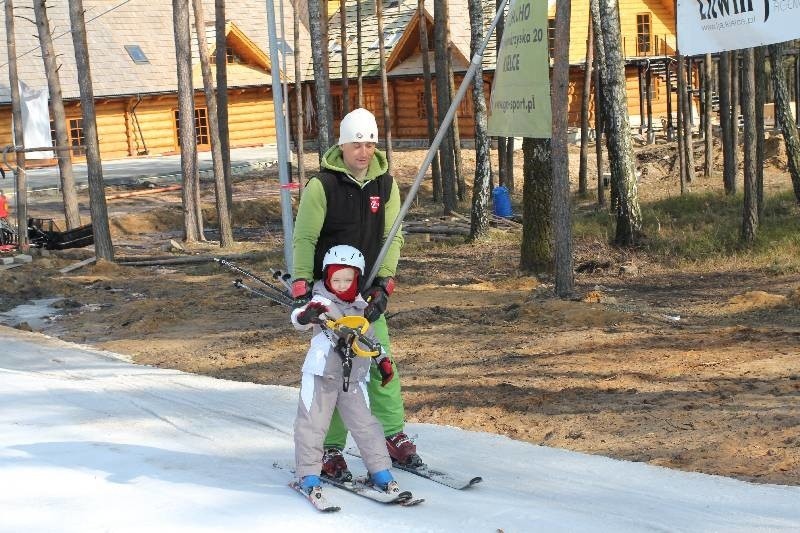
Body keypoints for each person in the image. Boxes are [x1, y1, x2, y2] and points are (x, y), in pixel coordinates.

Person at [291, 107, 420, 482]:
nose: (362, 152)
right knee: (335, 371)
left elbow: (391, 236)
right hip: (329, 293)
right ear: (342, 145)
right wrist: (302, 286)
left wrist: (384, 284)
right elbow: (305, 238)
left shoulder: (387, 185)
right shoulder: (323, 186)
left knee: (381, 361)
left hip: (364, 293)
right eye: (355, 144)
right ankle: (330, 447)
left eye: (369, 143)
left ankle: (392, 433)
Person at [291, 244, 398, 494]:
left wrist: (382, 361)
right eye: (336, 279)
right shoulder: (320, 302)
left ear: (357, 280)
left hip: (353, 378)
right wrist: (306, 316)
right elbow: (298, 318)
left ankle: (380, 470)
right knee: (312, 424)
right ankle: (308, 475)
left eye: (348, 280)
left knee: (366, 424)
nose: (341, 284)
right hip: (321, 376)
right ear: (327, 277)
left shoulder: (361, 309)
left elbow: (370, 338)